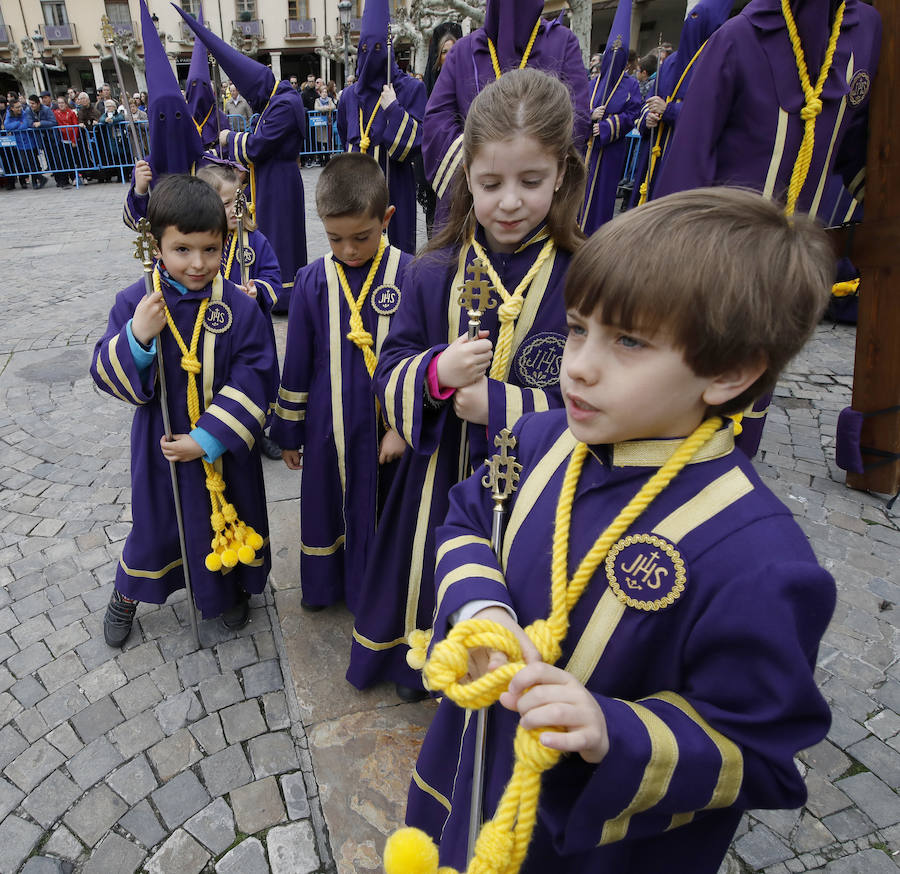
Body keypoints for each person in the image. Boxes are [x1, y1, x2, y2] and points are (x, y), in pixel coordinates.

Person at [402, 187, 836, 874]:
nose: (579, 364)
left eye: (628, 341)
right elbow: (466, 520)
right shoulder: (540, 438)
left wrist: (614, 730)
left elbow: (756, 756)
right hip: (479, 768)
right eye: (578, 327)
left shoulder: (761, 560)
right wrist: (485, 610)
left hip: (587, 847)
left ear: (729, 372)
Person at [347, 68, 586, 700]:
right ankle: (425, 661)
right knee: (429, 568)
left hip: (538, 482)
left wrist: (502, 405)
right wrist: (435, 374)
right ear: (466, 180)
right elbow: (387, 369)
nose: (510, 201)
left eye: (531, 181)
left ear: (561, 173)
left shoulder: (585, 275)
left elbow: (604, 393)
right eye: (491, 183)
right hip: (439, 479)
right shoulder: (433, 272)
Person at [654, 0, 881, 459]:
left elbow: (860, 145)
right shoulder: (737, 38)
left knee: (755, 385)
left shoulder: (867, 31)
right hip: (716, 264)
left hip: (794, 269)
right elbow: (689, 163)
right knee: (694, 388)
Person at [91, 174, 278, 648]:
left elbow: (257, 373)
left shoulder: (237, 306)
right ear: (157, 245)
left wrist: (209, 437)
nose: (198, 264)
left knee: (229, 513)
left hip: (223, 450)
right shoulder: (137, 301)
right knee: (157, 524)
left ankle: (227, 589)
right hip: (164, 444)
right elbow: (103, 370)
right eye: (183, 250)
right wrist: (137, 337)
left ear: (224, 243)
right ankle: (128, 590)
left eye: (211, 250)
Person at [270, 153, 412, 613]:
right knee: (325, 506)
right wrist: (289, 432)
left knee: (382, 511)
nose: (349, 250)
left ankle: (374, 588)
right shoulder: (312, 280)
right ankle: (326, 584)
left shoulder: (410, 276)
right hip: (326, 429)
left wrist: (404, 428)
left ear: (386, 218)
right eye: (335, 239)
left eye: (361, 237)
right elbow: (297, 365)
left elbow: (420, 361)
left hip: (384, 433)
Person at [177, 3, 308, 314]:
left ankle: (283, 294)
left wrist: (228, 138)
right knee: (271, 233)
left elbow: (259, 145)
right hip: (268, 179)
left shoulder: (284, 103)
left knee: (281, 237)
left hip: (279, 181)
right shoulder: (275, 102)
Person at [422, 0, 591, 227]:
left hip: (540, 212)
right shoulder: (463, 51)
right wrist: (483, 176)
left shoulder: (561, 43)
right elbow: (436, 123)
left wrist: (531, 175)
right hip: (470, 207)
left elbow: (576, 119)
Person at [196, 162, 283, 460]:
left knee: (255, 377)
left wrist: (257, 289)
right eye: (226, 203)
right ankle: (218, 428)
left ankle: (261, 430)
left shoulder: (254, 240)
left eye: (238, 200)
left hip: (252, 327)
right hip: (216, 329)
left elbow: (274, 278)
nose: (235, 209)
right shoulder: (204, 245)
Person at [337, 0, 426, 255]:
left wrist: (394, 109)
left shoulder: (410, 89)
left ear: (389, 50)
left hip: (395, 191)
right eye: (365, 48)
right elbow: (345, 139)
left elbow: (415, 145)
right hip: (355, 193)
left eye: (378, 48)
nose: (371, 54)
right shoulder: (349, 97)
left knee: (396, 258)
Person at [629, 0, 734, 209]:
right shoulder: (671, 62)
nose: (691, 24)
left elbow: (712, 116)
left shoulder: (718, 64)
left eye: (698, 19)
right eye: (690, 18)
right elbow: (649, 101)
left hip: (684, 157)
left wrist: (669, 110)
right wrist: (647, 119)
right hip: (653, 154)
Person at [578, 0, 642, 234]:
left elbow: (633, 113)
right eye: (611, 54)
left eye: (620, 54)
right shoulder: (593, 83)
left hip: (611, 151)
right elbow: (578, 110)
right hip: (587, 150)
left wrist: (606, 127)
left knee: (603, 196)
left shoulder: (631, 86)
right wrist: (590, 117)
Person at [416, 21, 463, 238]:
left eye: (455, 50)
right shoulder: (427, 90)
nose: (450, 56)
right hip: (438, 168)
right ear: (438, 57)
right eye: (445, 52)